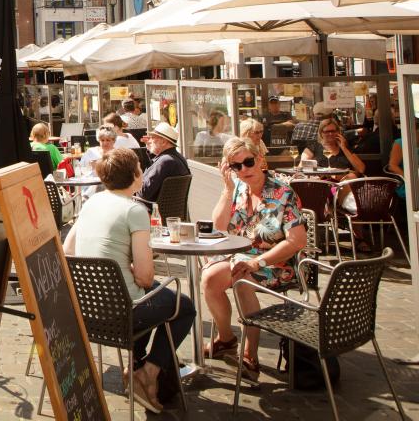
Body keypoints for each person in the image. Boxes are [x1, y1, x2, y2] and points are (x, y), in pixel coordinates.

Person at [64, 147, 194, 413]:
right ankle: (149, 371)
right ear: (136, 174)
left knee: (153, 295)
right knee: (184, 306)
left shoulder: (92, 202)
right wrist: (136, 262)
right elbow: (146, 278)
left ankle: (135, 365)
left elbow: (67, 250)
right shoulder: (134, 211)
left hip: (88, 311)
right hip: (124, 314)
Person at [201, 137, 306, 379]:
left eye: (248, 162)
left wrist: (256, 262)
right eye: (236, 166)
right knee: (209, 278)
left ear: (260, 160)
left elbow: (297, 241)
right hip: (241, 256)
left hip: (277, 262)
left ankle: (250, 357)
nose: (243, 170)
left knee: (241, 278)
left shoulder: (282, 193)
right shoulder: (236, 188)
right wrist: (227, 190)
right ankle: (226, 339)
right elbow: (219, 226)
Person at [303, 116, 368, 216]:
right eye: (326, 131)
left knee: (351, 177)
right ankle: (354, 209)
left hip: (342, 186)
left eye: (333, 131)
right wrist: (321, 172)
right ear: (321, 133)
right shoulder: (314, 146)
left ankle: (355, 210)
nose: (330, 134)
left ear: (338, 132)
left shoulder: (345, 147)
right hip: (322, 185)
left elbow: (361, 169)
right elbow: (302, 165)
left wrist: (344, 147)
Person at [135, 122, 189, 207]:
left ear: (163, 142)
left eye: (153, 137)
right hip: (170, 210)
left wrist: (135, 176)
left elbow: (144, 193)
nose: (150, 140)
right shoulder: (177, 158)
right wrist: (151, 150)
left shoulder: (165, 162)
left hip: (152, 211)